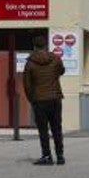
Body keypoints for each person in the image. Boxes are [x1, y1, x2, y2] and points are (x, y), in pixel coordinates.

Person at [23, 35, 66, 165]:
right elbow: (62, 71)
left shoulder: (30, 63)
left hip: (39, 100)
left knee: (43, 130)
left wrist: (32, 98)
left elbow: (26, 84)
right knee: (56, 128)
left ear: (34, 47)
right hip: (55, 98)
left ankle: (47, 156)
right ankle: (60, 156)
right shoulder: (55, 59)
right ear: (46, 45)